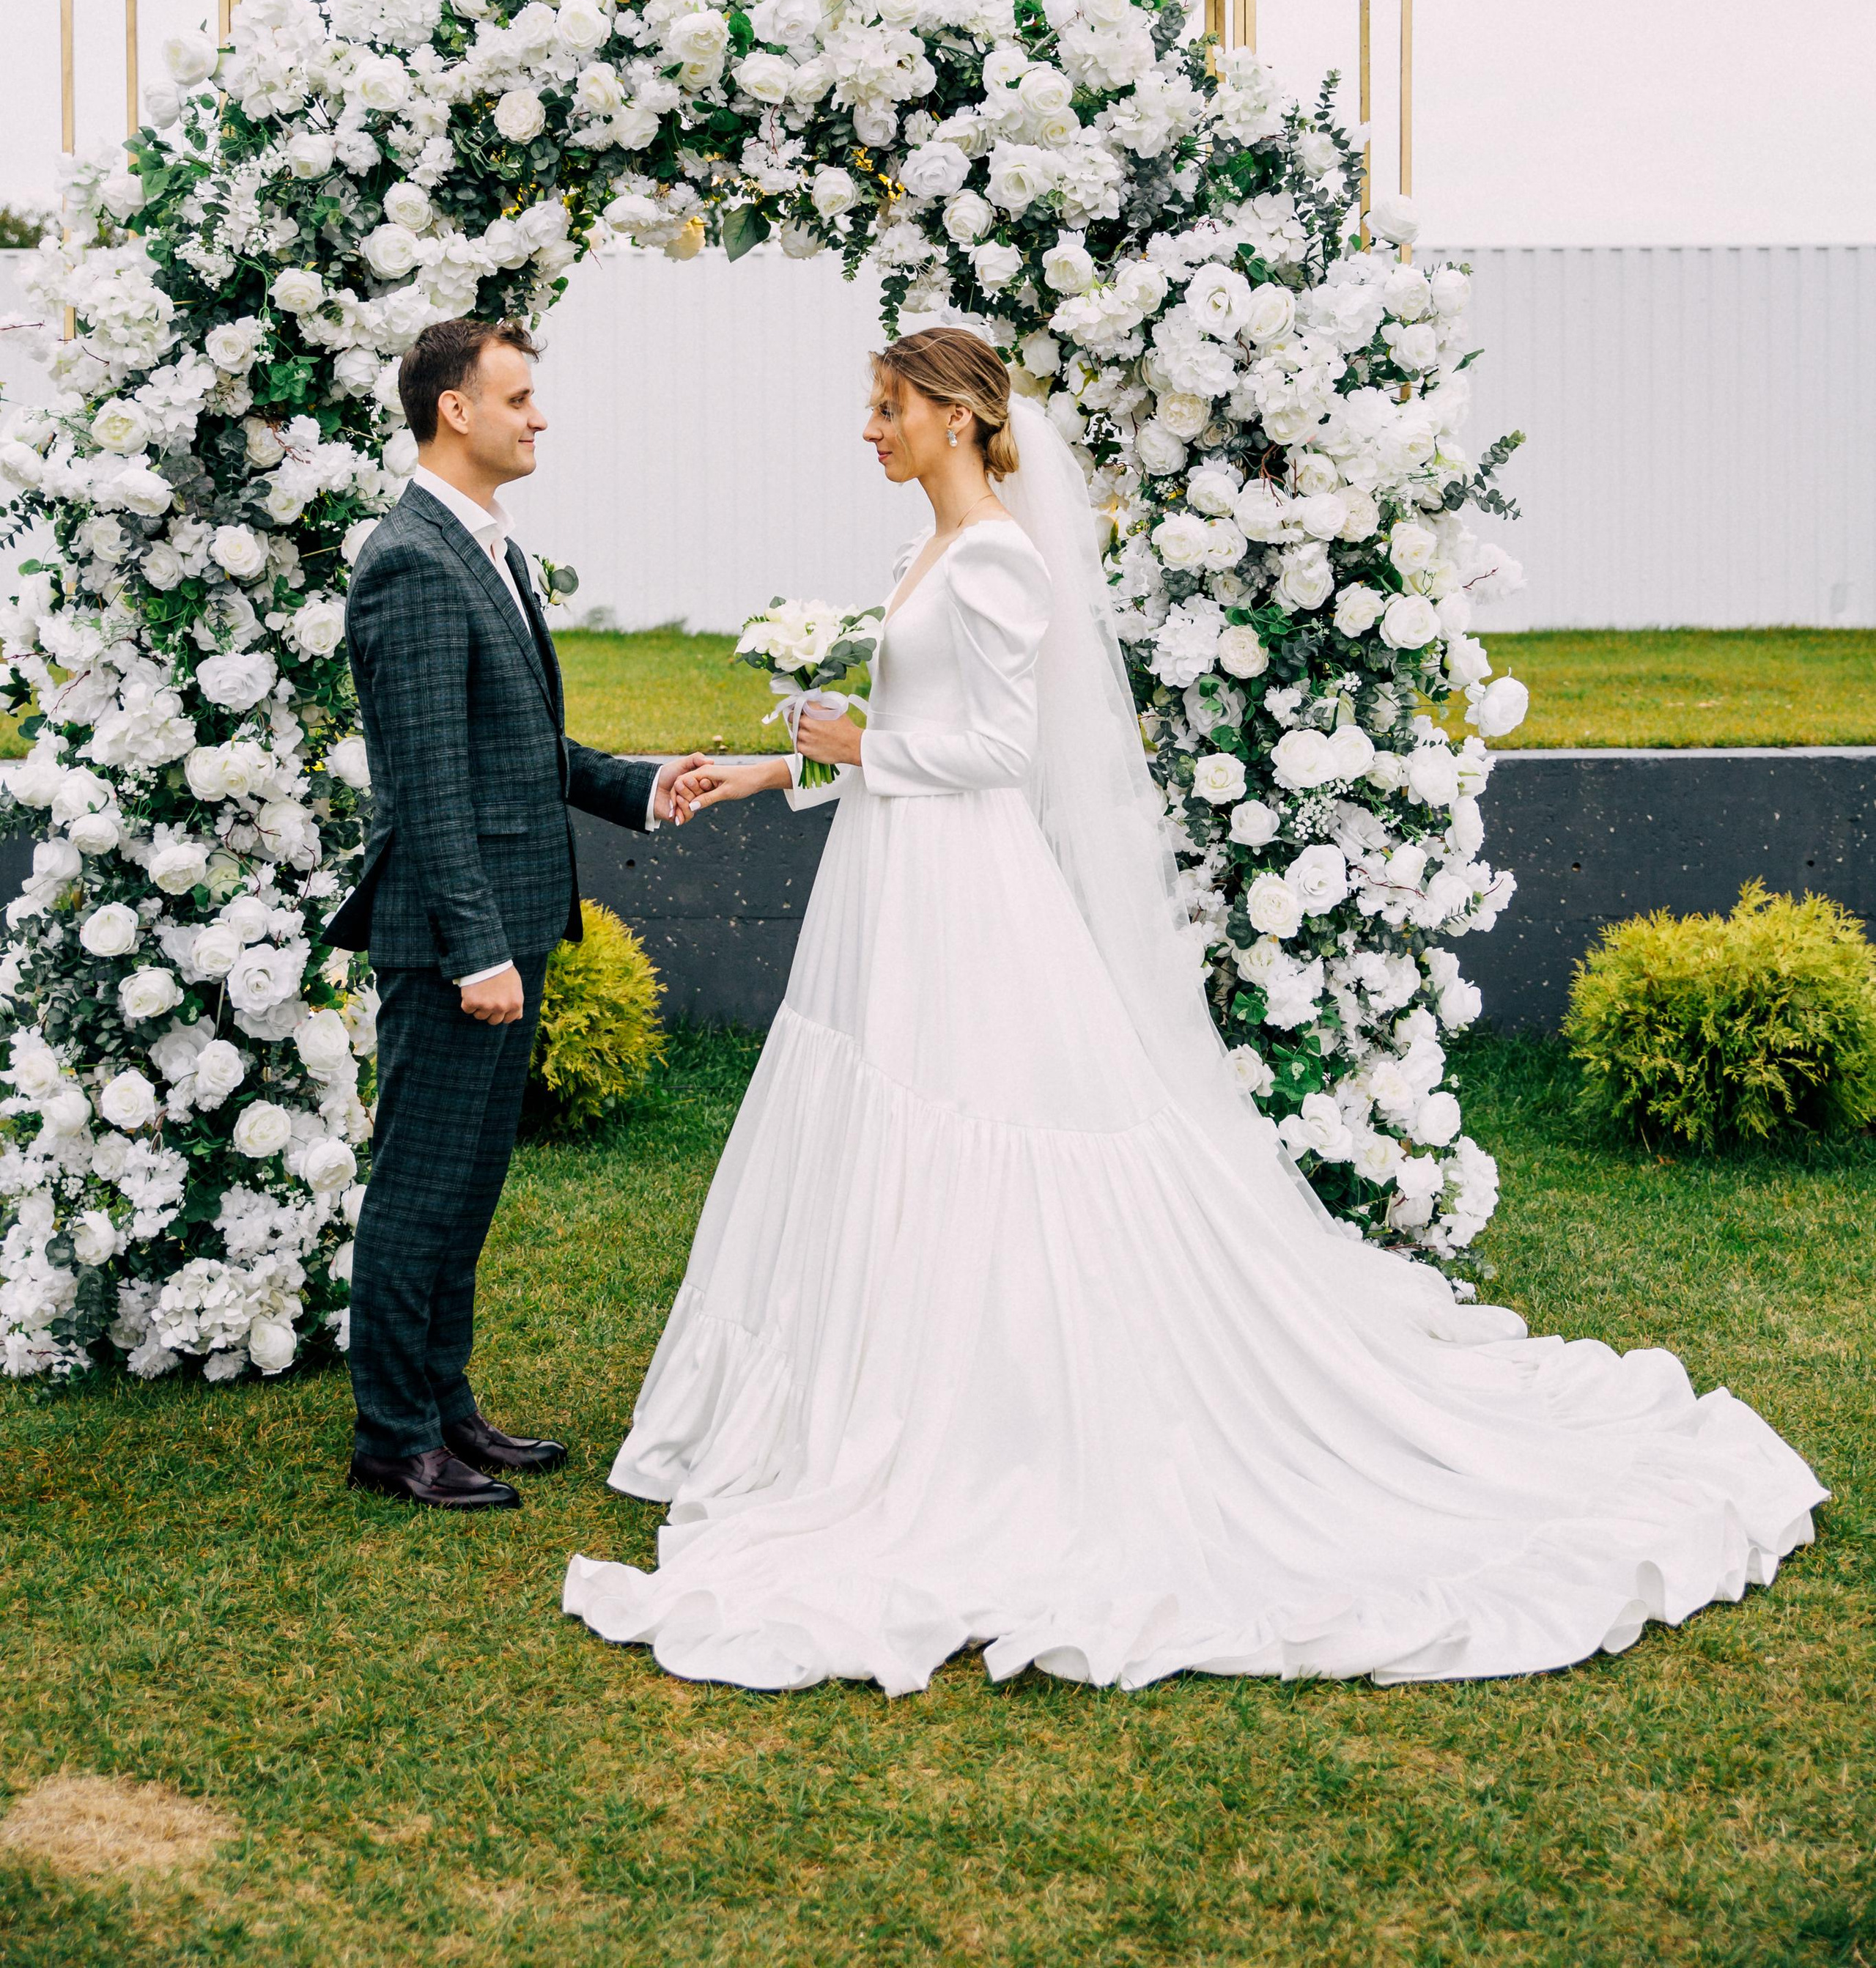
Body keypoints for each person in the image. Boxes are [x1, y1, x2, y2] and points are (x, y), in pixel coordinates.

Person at [563, 325, 1824, 1692]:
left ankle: (990, 1424)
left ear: (956, 416)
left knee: (975, 1114)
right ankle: (878, 1399)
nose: (870, 429)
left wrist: (859, 741)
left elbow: (997, 751)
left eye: (888, 407)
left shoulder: (995, 557)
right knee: (888, 1109)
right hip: (897, 874)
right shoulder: (931, 548)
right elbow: (918, 733)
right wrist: (776, 771)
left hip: (965, 891)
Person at [328, 317, 700, 1511]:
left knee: (468, 1183)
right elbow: (428, 785)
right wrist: (475, 949)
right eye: (520, 398)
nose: (540, 418)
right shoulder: (411, 562)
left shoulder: (488, 549)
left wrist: (643, 787)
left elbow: (518, 747)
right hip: (458, 942)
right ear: (456, 410)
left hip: (510, 926)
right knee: (421, 1188)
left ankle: (446, 1408)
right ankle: (393, 1438)